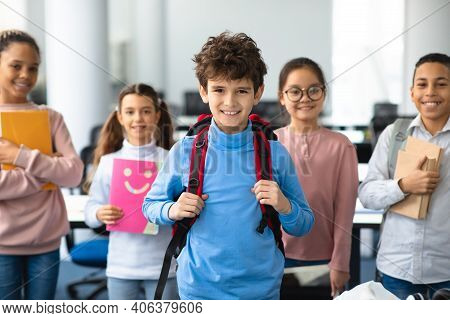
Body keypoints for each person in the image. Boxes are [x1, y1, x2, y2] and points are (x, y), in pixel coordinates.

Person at [143, 32, 314, 300]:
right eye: (219, 90)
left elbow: (304, 224)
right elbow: (149, 207)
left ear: (257, 93)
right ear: (203, 91)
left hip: (261, 290)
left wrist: (285, 205)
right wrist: (173, 209)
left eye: (242, 91)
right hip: (198, 288)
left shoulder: (275, 153)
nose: (230, 102)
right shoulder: (184, 152)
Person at [358, 53, 450, 299]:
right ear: (412, 92)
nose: (430, 92)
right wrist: (404, 185)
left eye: (441, 84)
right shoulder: (395, 134)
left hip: (446, 271)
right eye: (422, 84)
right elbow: (367, 195)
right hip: (397, 268)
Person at [0, 29, 83, 299]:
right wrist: (46, 173)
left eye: (33, 68)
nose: (25, 75)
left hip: (46, 241)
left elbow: (73, 175)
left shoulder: (51, 117)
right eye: (16, 66)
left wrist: (20, 156)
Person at [84, 83, 179, 300]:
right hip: (121, 267)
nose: (138, 119)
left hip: (163, 265)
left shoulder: (171, 160)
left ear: (156, 115)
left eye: (146, 111)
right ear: (120, 117)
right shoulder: (108, 163)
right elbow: (90, 210)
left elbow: (181, 208)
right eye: (130, 112)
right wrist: (99, 213)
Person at [274, 57, 359, 297]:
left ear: (323, 93)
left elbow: (345, 212)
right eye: (295, 91)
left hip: (324, 259)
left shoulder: (341, 146)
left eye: (313, 90)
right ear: (282, 97)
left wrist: (340, 262)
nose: (305, 98)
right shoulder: (270, 142)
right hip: (275, 256)